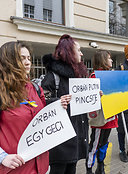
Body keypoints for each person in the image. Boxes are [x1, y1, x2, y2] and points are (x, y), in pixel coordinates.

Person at [0, 41, 58, 173]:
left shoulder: (35, 89)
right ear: (8, 61)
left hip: (41, 167)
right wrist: (1, 157)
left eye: (29, 58)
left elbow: (41, 120)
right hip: (15, 169)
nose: (28, 62)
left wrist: (59, 105)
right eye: (22, 58)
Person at [41, 34, 89, 174]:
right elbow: (40, 102)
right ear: (69, 52)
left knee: (72, 169)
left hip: (76, 135)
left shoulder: (78, 75)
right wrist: (58, 101)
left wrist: (93, 97)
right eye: (78, 50)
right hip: (59, 139)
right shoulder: (53, 76)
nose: (81, 53)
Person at [86, 50, 118, 174]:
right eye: (109, 58)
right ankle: (89, 168)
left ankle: (100, 165)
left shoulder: (111, 75)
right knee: (94, 144)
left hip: (110, 116)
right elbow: (88, 96)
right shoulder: (94, 76)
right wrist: (96, 94)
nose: (111, 61)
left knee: (104, 143)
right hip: (100, 119)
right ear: (103, 60)